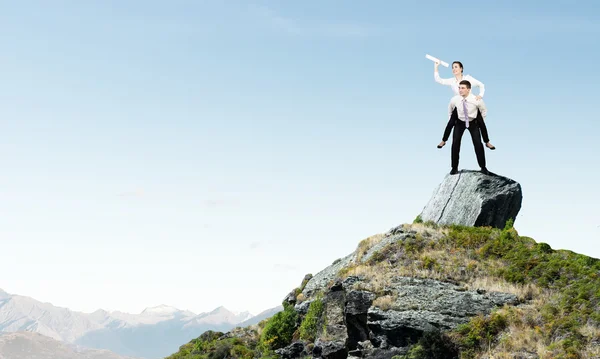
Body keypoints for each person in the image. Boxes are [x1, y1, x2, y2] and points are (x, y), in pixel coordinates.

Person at [434, 61, 495, 150]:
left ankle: (487, 142)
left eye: (456, 67)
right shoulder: (452, 81)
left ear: (461, 68)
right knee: (450, 123)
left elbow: (481, 85)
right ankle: (444, 140)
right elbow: (439, 80)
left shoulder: (468, 78)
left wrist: (480, 95)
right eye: (453, 67)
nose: (454, 69)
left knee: (481, 123)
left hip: (471, 105)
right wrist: (436, 67)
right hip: (459, 105)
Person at [448, 80, 490, 175]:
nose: (460, 90)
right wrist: (453, 121)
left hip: (472, 123)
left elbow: (484, 111)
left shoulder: (476, 99)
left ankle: (483, 167)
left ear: (468, 89)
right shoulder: (455, 99)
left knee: (478, 144)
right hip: (460, 123)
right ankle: (454, 168)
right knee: (455, 144)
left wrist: (479, 122)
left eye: (463, 88)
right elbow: (450, 110)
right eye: (459, 88)